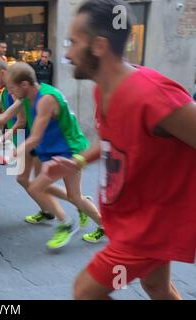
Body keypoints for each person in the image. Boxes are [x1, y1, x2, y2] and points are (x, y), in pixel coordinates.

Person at [46, 0, 196, 299]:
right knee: (155, 286)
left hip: (148, 228)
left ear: (99, 46)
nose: (66, 53)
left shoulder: (151, 94)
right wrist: (76, 161)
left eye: (73, 42)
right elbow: (110, 140)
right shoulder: (105, 88)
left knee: (85, 292)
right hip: (132, 219)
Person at [0, 61, 104, 244]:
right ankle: (93, 218)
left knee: (40, 187)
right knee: (61, 191)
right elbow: (4, 117)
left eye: (12, 88)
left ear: (24, 84)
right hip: (53, 150)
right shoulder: (26, 96)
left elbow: (34, 138)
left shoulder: (46, 100)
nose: (10, 93)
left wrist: (14, 152)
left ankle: (67, 223)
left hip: (70, 150)